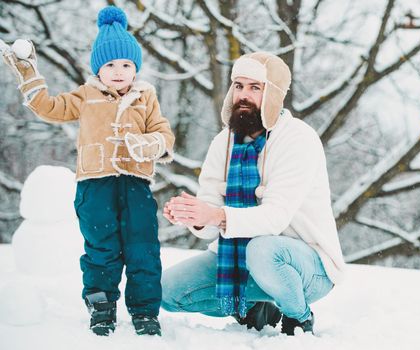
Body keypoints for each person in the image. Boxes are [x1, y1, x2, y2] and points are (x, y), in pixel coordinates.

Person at [1, 6, 175, 337]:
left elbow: (164, 134)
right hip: (95, 186)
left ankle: (145, 311)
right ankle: (101, 307)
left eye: (126, 64)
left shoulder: (146, 95)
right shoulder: (86, 95)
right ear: (98, 69)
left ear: (135, 66)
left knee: (143, 248)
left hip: (136, 184)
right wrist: (30, 78)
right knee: (101, 248)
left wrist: (149, 144)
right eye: (110, 64)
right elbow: (49, 107)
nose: (119, 71)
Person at [162, 52, 345, 335]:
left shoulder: (298, 138)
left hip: (306, 265)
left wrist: (216, 215)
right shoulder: (223, 143)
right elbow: (210, 222)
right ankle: (256, 305)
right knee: (167, 292)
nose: (243, 95)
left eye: (254, 87)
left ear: (273, 94)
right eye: (238, 86)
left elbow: (275, 218)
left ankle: (298, 316)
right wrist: (194, 216)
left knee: (261, 249)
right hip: (241, 260)